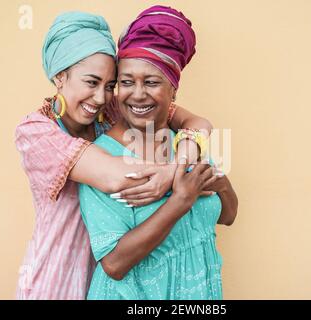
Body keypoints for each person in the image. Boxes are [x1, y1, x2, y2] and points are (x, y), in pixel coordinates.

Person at [15, 11, 214, 300]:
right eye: (91, 82)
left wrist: (174, 167)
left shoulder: (108, 113)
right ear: (60, 76)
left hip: (109, 284)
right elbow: (115, 176)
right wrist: (181, 179)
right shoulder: (35, 132)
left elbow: (199, 124)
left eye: (110, 86)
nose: (100, 98)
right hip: (57, 277)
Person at [79, 5, 238, 300]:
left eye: (151, 82)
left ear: (173, 91)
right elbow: (114, 264)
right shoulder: (101, 158)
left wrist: (221, 183)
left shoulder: (186, 144)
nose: (137, 94)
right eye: (126, 82)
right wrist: (180, 199)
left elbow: (227, 216)